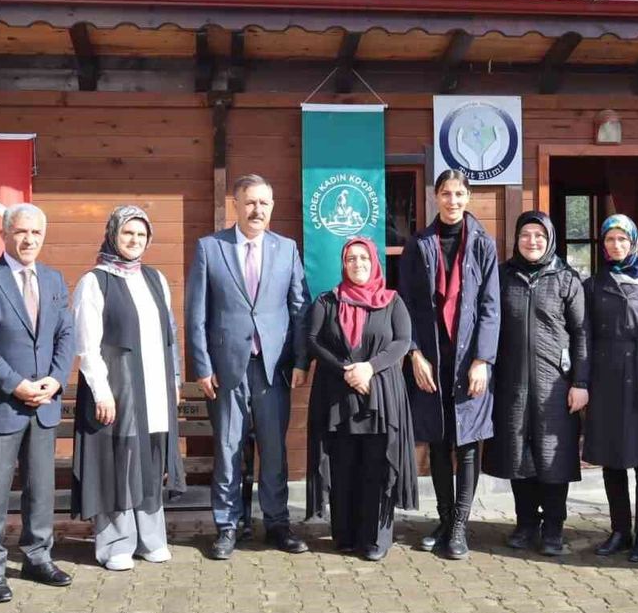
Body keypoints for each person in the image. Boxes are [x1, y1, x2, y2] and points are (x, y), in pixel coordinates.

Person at [186, 174, 311, 559]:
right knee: (228, 448)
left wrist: (301, 360)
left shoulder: (287, 249)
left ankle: (277, 523)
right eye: (251, 202)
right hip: (226, 368)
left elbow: (300, 308)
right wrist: (202, 366)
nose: (258, 210)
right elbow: (196, 312)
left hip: (273, 368)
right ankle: (227, 526)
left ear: (272, 207)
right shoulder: (211, 248)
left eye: (264, 203)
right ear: (236, 205)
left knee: (273, 449)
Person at [0, 203, 75, 602]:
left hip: (43, 404)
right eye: (21, 232)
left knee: (40, 489)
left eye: (36, 233)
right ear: (5, 234)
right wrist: (16, 384)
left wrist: (55, 379)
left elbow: (65, 334)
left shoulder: (54, 280)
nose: (29, 239)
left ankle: (37, 557)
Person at [72, 206, 186, 571]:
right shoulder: (95, 281)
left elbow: (170, 336)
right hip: (118, 389)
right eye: (127, 233)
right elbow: (87, 345)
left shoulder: (155, 279)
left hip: (155, 389)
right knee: (118, 462)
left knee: (150, 460)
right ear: (113, 235)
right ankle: (116, 544)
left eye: (141, 234)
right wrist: (101, 391)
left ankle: (151, 539)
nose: (134, 240)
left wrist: (174, 381)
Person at [398, 169, 500, 560]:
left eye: (459, 194)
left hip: (468, 360)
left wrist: (482, 359)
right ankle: (443, 519)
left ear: (468, 197)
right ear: (435, 197)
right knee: (439, 440)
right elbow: (405, 304)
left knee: (468, 443)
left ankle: (459, 526)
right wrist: (414, 353)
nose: (452, 200)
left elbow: (490, 306)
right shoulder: (419, 244)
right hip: (431, 358)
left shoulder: (483, 244)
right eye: (446, 193)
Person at [304, 237, 418, 561]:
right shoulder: (327, 301)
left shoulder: (392, 301)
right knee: (343, 465)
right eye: (351, 258)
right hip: (338, 396)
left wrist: (369, 368)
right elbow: (313, 340)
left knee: (376, 466)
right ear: (343, 264)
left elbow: (402, 341)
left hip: (380, 396)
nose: (358, 264)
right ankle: (345, 535)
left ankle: (375, 539)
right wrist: (346, 370)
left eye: (364, 258)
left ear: (374, 262)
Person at [484, 211, 589, 556]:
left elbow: (581, 333)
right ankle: (526, 522)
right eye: (526, 235)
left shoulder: (567, 279)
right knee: (518, 454)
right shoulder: (503, 277)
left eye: (539, 235)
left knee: (553, 456)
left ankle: (554, 527)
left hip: (554, 385)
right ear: (516, 239)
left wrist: (581, 382)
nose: (532, 241)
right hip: (512, 382)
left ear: (550, 239)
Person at [582, 214, 638, 564]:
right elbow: (585, 337)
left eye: (622, 239)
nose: (616, 245)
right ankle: (620, 530)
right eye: (610, 239)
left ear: (633, 242)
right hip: (606, 380)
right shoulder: (594, 284)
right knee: (612, 459)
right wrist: (583, 382)